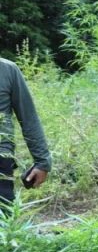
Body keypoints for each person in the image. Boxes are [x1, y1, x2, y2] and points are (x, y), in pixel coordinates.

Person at [0, 58, 51, 205]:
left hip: (1, 156)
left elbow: (28, 118)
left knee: (3, 219)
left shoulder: (8, 70)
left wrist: (42, 162)